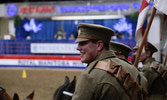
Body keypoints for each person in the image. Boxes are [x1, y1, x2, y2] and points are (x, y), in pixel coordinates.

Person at [72, 23, 148, 100]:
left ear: (99, 45)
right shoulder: (132, 69)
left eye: (82, 43)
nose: (78, 48)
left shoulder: (89, 76)